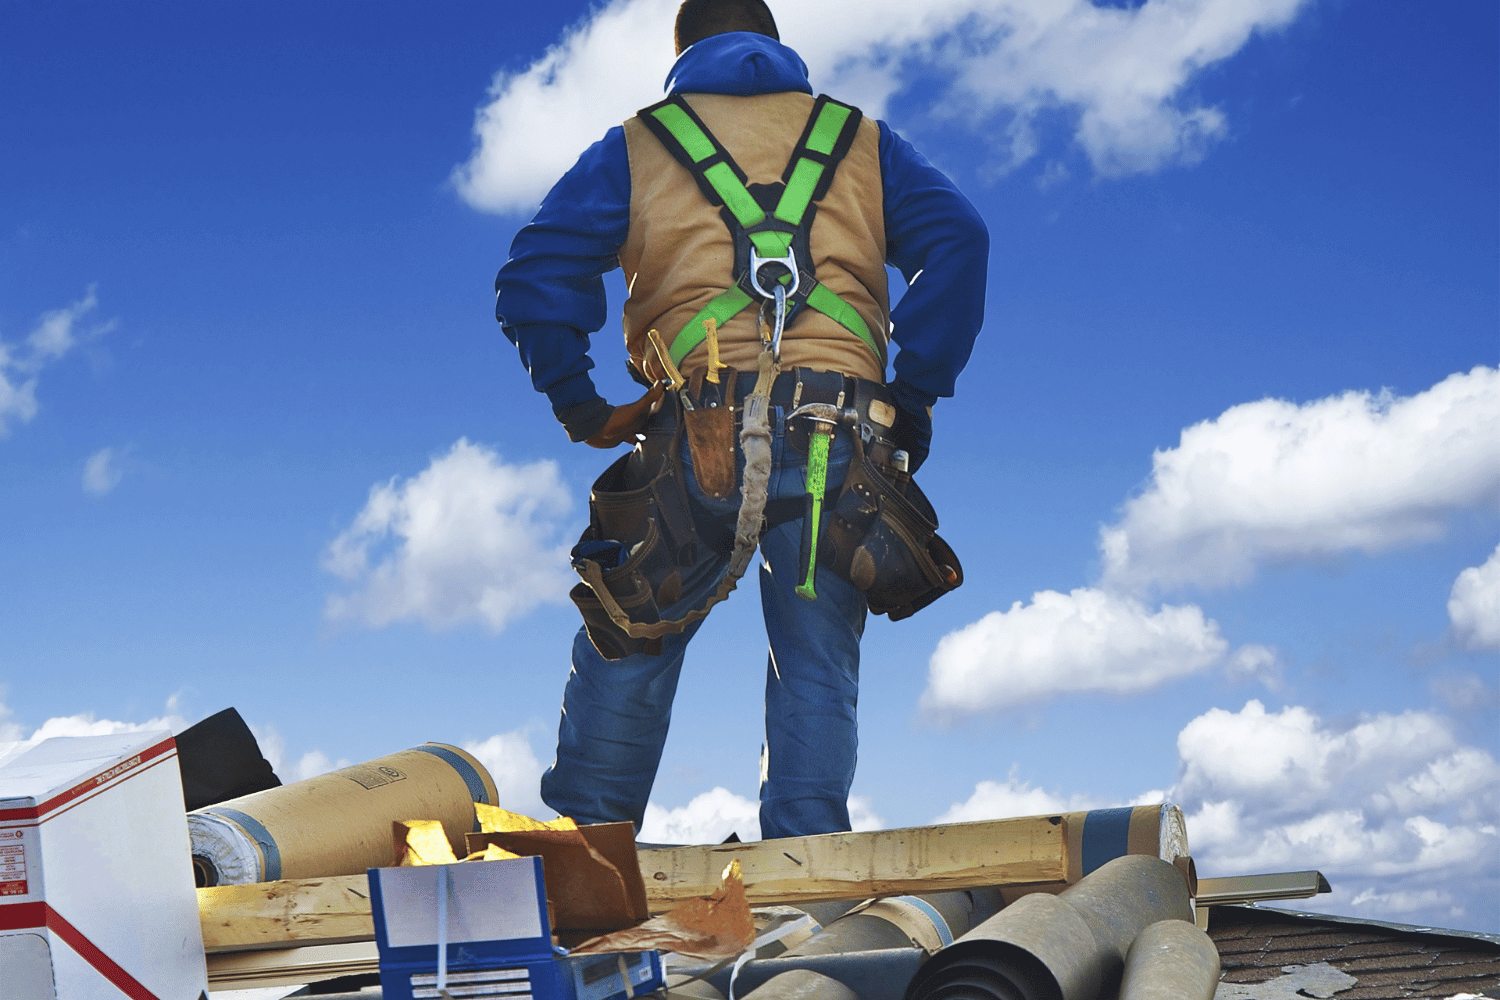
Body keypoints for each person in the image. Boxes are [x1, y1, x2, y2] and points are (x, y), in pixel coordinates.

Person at [494, 0, 987, 840]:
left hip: (699, 432)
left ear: (682, 50)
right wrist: (916, 392)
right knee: (815, 663)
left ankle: (585, 861)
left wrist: (582, 406)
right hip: (841, 440)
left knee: (633, 634)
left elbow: (537, 266)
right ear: (775, 45)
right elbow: (961, 239)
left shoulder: (639, 144)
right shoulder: (863, 140)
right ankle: (805, 882)